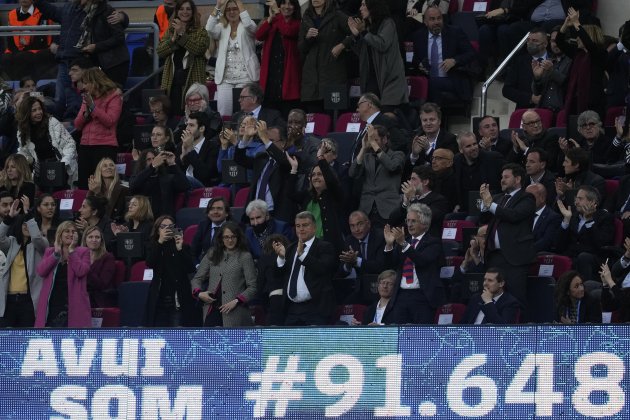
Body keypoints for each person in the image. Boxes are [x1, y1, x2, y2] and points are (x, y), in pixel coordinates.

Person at [33, 0, 128, 120]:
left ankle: (73, 130)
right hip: (64, 60)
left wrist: (123, 17)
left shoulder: (96, 10)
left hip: (82, 62)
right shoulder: (68, 8)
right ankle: (57, 130)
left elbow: (116, 25)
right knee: (59, 101)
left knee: (77, 102)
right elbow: (53, 12)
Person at [479, 163, 535, 313]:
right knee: (492, 297)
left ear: (517, 179)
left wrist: (490, 203)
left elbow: (513, 216)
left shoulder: (527, 198)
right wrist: (485, 204)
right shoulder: (498, 197)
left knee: (516, 298)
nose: (502, 180)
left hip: (515, 258)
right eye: (501, 177)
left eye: (506, 177)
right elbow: (483, 217)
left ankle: (520, 332)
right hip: (494, 256)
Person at [273, 211, 338, 325]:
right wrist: (281, 258)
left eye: (305, 225)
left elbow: (321, 268)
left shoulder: (325, 247)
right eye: (298, 226)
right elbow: (279, 275)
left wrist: (302, 255)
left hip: (315, 308)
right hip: (292, 309)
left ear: (314, 227)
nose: (301, 229)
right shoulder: (291, 248)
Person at [383, 203, 444, 324]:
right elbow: (390, 265)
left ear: (424, 223)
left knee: (422, 338)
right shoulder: (403, 242)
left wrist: (404, 244)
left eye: (413, 221)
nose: (409, 224)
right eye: (408, 220)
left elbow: (421, 260)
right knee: (401, 337)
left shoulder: (433, 242)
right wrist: (389, 245)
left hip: (423, 297)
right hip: (401, 295)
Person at [191, 222, 257, 327]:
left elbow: (253, 287)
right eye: (226, 237)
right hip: (212, 308)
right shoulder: (212, 253)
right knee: (210, 341)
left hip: (236, 310)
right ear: (221, 238)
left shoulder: (245, 256)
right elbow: (197, 279)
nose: (230, 240)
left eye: (233, 237)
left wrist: (237, 301)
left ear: (238, 237)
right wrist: (199, 293)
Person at [346, 0, 409, 109]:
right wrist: (356, 35)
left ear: (373, 6)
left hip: (389, 79)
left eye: (364, 5)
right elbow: (361, 52)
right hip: (371, 77)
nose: (360, 8)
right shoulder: (368, 27)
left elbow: (382, 44)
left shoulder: (388, 23)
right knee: (371, 115)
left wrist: (364, 32)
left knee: (386, 115)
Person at [411, 5, 476, 105]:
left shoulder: (455, 32)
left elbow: (471, 53)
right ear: (425, 22)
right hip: (428, 78)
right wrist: (419, 64)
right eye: (432, 19)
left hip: (451, 79)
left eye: (439, 18)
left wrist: (455, 60)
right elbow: (415, 59)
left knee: (431, 84)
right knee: (426, 84)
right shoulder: (418, 36)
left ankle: (430, 114)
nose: (436, 22)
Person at [0, 197, 48, 327]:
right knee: (6, 340)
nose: (27, 227)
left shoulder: (40, 245)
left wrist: (28, 215)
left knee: (25, 338)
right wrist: (9, 218)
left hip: (28, 300)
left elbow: (37, 238)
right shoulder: (12, 243)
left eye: (30, 224)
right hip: (8, 300)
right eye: (24, 224)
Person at [288, 146, 345, 255]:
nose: (315, 177)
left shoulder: (334, 195)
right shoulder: (308, 195)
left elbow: (331, 181)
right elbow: (290, 194)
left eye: (320, 174)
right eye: (313, 175)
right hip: (308, 245)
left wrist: (320, 158)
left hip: (328, 246)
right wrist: (294, 169)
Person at [206, 0, 259, 117]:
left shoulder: (246, 26)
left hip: (246, 77)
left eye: (234, 9)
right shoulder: (221, 28)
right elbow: (209, 29)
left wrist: (239, 4)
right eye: (228, 10)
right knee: (224, 114)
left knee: (244, 113)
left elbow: (252, 27)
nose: (232, 12)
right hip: (225, 79)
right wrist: (218, 6)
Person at [234, 120, 293, 223]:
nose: (266, 144)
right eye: (264, 141)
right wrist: (245, 139)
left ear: (283, 143)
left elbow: (284, 163)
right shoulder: (261, 158)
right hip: (255, 214)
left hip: (277, 215)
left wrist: (264, 138)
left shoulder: (290, 159)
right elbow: (239, 159)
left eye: (270, 140)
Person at [34, 221, 91, 327]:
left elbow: (81, 271)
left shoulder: (83, 252)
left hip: (73, 302)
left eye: (73, 232)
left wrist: (72, 252)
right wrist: (55, 254)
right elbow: (41, 271)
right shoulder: (50, 252)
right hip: (53, 302)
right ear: (60, 234)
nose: (70, 234)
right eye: (67, 231)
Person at [144, 215, 198, 326]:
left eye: (170, 226)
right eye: (163, 226)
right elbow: (150, 263)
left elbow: (190, 268)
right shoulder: (153, 246)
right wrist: (160, 242)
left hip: (177, 299)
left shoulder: (183, 247)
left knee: (176, 333)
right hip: (160, 299)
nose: (167, 229)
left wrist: (180, 248)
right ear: (157, 230)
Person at [158, 0, 209, 115]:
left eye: (188, 9)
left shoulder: (200, 31)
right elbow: (160, 51)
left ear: (193, 12)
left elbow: (198, 49)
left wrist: (182, 34)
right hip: (173, 81)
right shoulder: (170, 31)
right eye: (181, 9)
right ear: (177, 11)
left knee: (193, 116)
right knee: (173, 116)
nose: (184, 12)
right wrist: (173, 40)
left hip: (192, 80)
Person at [73, 68, 122, 189]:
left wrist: (93, 107)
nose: (83, 86)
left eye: (86, 83)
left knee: (103, 186)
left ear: (94, 82)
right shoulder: (88, 98)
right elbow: (77, 125)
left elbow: (110, 121)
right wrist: (86, 113)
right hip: (85, 146)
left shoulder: (114, 96)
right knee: (85, 185)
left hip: (104, 146)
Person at [299, 0, 351, 112]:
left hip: (332, 76)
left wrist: (342, 45)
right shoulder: (306, 17)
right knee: (315, 121)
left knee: (333, 118)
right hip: (311, 79)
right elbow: (301, 48)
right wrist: (307, 38)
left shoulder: (337, 15)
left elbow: (356, 31)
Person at [349, 124, 405, 228]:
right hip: (367, 210)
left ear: (384, 140)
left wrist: (374, 144)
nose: (371, 143)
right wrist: (363, 149)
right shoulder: (366, 156)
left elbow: (392, 166)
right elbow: (353, 173)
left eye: (375, 139)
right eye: (370, 140)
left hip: (388, 209)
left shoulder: (397, 155)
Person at [16, 95, 77, 188]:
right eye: (34, 110)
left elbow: (70, 143)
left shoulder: (52, 122)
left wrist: (63, 163)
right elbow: (24, 152)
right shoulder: (22, 131)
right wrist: (25, 158)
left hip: (60, 167)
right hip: (40, 170)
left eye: (39, 109)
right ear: (27, 113)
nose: (39, 112)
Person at [556, 7, 607, 119]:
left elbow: (589, 44)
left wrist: (577, 23)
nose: (577, 38)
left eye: (580, 36)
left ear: (589, 36)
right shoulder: (577, 54)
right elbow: (559, 42)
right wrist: (566, 25)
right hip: (575, 103)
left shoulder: (599, 54)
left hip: (593, 104)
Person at [556, 185, 614, 282]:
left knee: (583, 257)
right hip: (571, 256)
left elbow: (600, 244)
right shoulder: (573, 216)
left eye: (580, 199)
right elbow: (558, 245)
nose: (576, 202)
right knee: (542, 255)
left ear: (593, 202)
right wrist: (566, 220)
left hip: (592, 258)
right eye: (576, 199)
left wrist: (590, 220)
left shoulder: (605, 218)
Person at [255, 0, 302, 114]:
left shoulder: (297, 24)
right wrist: (269, 20)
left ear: (295, 7)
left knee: (286, 115)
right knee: (270, 117)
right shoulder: (274, 21)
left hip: (287, 78)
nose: (287, 7)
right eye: (283, 3)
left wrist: (277, 14)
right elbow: (259, 36)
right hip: (271, 79)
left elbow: (288, 31)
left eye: (290, 4)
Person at [73, 0, 130, 87]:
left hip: (114, 63)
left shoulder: (107, 11)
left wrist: (96, 47)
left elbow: (119, 37)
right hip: (96, 64)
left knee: (112, 95)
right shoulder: (81, 12)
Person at [1, 0, 56, 81]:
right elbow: (10, 39)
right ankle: (15, 85)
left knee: (23, 57)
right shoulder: (12, 14)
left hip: (37, 49)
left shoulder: (43, 14)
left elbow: (43, 40)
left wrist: (24, 47)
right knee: (5, 58)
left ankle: (25, 85)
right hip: (17, 50)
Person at [339, 210, 386, 304]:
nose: (356, 229)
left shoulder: (380, 237)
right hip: (360, 287)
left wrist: (356, 261)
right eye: (352, 226)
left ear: (368, 223)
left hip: (380, 284)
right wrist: (348, 264)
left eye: (359, 224)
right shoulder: (350, 240)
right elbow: (341, 271)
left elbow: (380, 266)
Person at [390, 165, 449, 237]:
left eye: (413, 179)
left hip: (427, 242)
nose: (410, 182)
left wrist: (412, 198)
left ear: (425, 182)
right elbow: (392, 220)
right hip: (407, 239)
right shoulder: (411, 199)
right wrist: (405, 204)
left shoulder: (439, 200)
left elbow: (424, 218)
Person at [129, 148, 189, 218]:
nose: (153, 161)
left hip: (163, 220)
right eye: (149, 159)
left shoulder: (166, 177)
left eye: (154, 158)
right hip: (144, 219)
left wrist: (172, 164)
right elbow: (133, 186)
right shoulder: (139, 177)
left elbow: (185, 186)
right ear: (143, 162)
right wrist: (152, 167)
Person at [452, 132, 504, 212]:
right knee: (448, 217)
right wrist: (457, 204)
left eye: (474, 144)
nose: (473, 148)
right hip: (465, 208)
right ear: (461, 150)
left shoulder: (492, 158)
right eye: (468, 146)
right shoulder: (457, 160)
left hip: (487, 208)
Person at [507, 109, 561, 173]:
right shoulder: (521, 139)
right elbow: (509, 166)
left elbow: (548, 163)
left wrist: (526, 149)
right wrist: (515, 148)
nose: (536, 125)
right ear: (524, 127)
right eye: (531, 123)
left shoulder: (551, 138)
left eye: (538, 121)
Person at [176, 111, 220, 188]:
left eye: (191, 125)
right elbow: (176, 172)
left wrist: (191, 150)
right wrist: (182, 156)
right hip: (183, 187)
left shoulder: (212, 147)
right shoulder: (181, 145)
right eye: (187, 125)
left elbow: (206, 174)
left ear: (201, 128)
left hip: (202, 186)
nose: (187, 128)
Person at [408, 102, 458, 167]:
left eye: (432, 119)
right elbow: (407, 170)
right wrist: (414, 155)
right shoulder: (416, 138)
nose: (428, 123)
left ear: (439, 121)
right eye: (425, 120)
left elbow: (446, 165)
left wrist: (428, 149)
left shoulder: (450, 139)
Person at [257, 233, 289, 325]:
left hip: (274, 300)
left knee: (275, 334)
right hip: (292, 300)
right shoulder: (291, 256)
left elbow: (260, 284)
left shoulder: (264, 258)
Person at [81, 225, 116, 308]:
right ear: (85, 240)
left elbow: (102, 284)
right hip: (80, 295)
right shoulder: (79, 257)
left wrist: (86, 269)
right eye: (90, 237)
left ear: (101, 241)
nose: (94, 240)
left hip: (98, 298)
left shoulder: (108, 257)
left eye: (97, 237)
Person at [190, 196, 230, 263]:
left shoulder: (236, 227)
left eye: (219, 208)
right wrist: (198, 266)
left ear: (226, 213)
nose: (215, 212)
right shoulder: (203, 226)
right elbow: (193, 252)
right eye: (212, 209)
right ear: (208, 213)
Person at [525, 183, 561, 254]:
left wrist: (524, 250)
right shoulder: (522, 214)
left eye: (530, 197)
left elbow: (546, 242)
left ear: (542, 198)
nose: (526, 201)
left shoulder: (553, 217)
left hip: (538, 256)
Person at [600, 240, 630, 322]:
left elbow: (625, 301)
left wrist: (610, 281)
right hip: (619, 290)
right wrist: (605, 284)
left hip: (622, 296)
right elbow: (607, 306)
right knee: (589, 285)